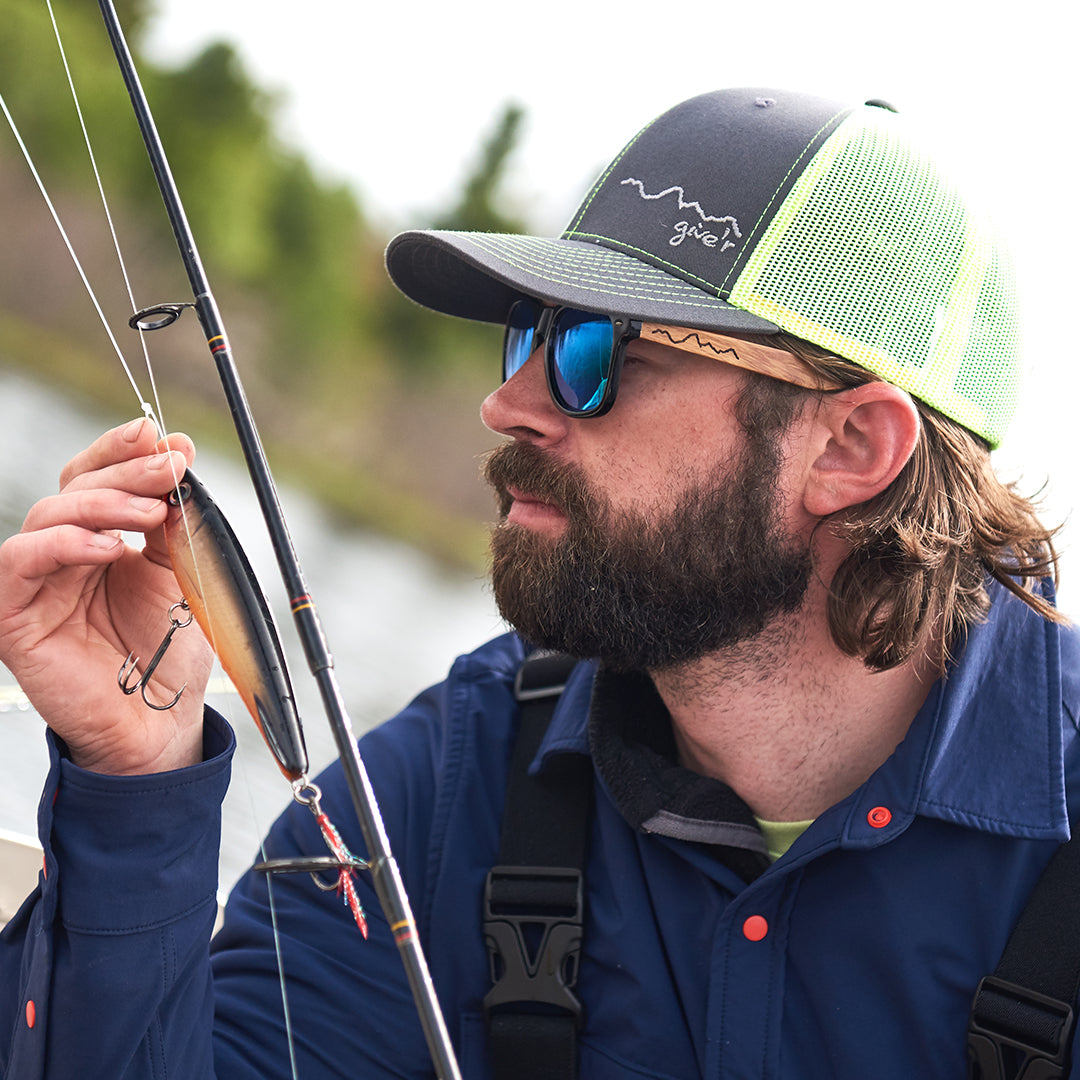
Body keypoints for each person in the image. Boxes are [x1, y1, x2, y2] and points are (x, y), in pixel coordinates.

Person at [0, 86, 1075, 1079]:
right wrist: (138, 779)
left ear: (850, 447)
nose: (509, 403)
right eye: (528, 333)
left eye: (593, 352)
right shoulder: (441, 790)